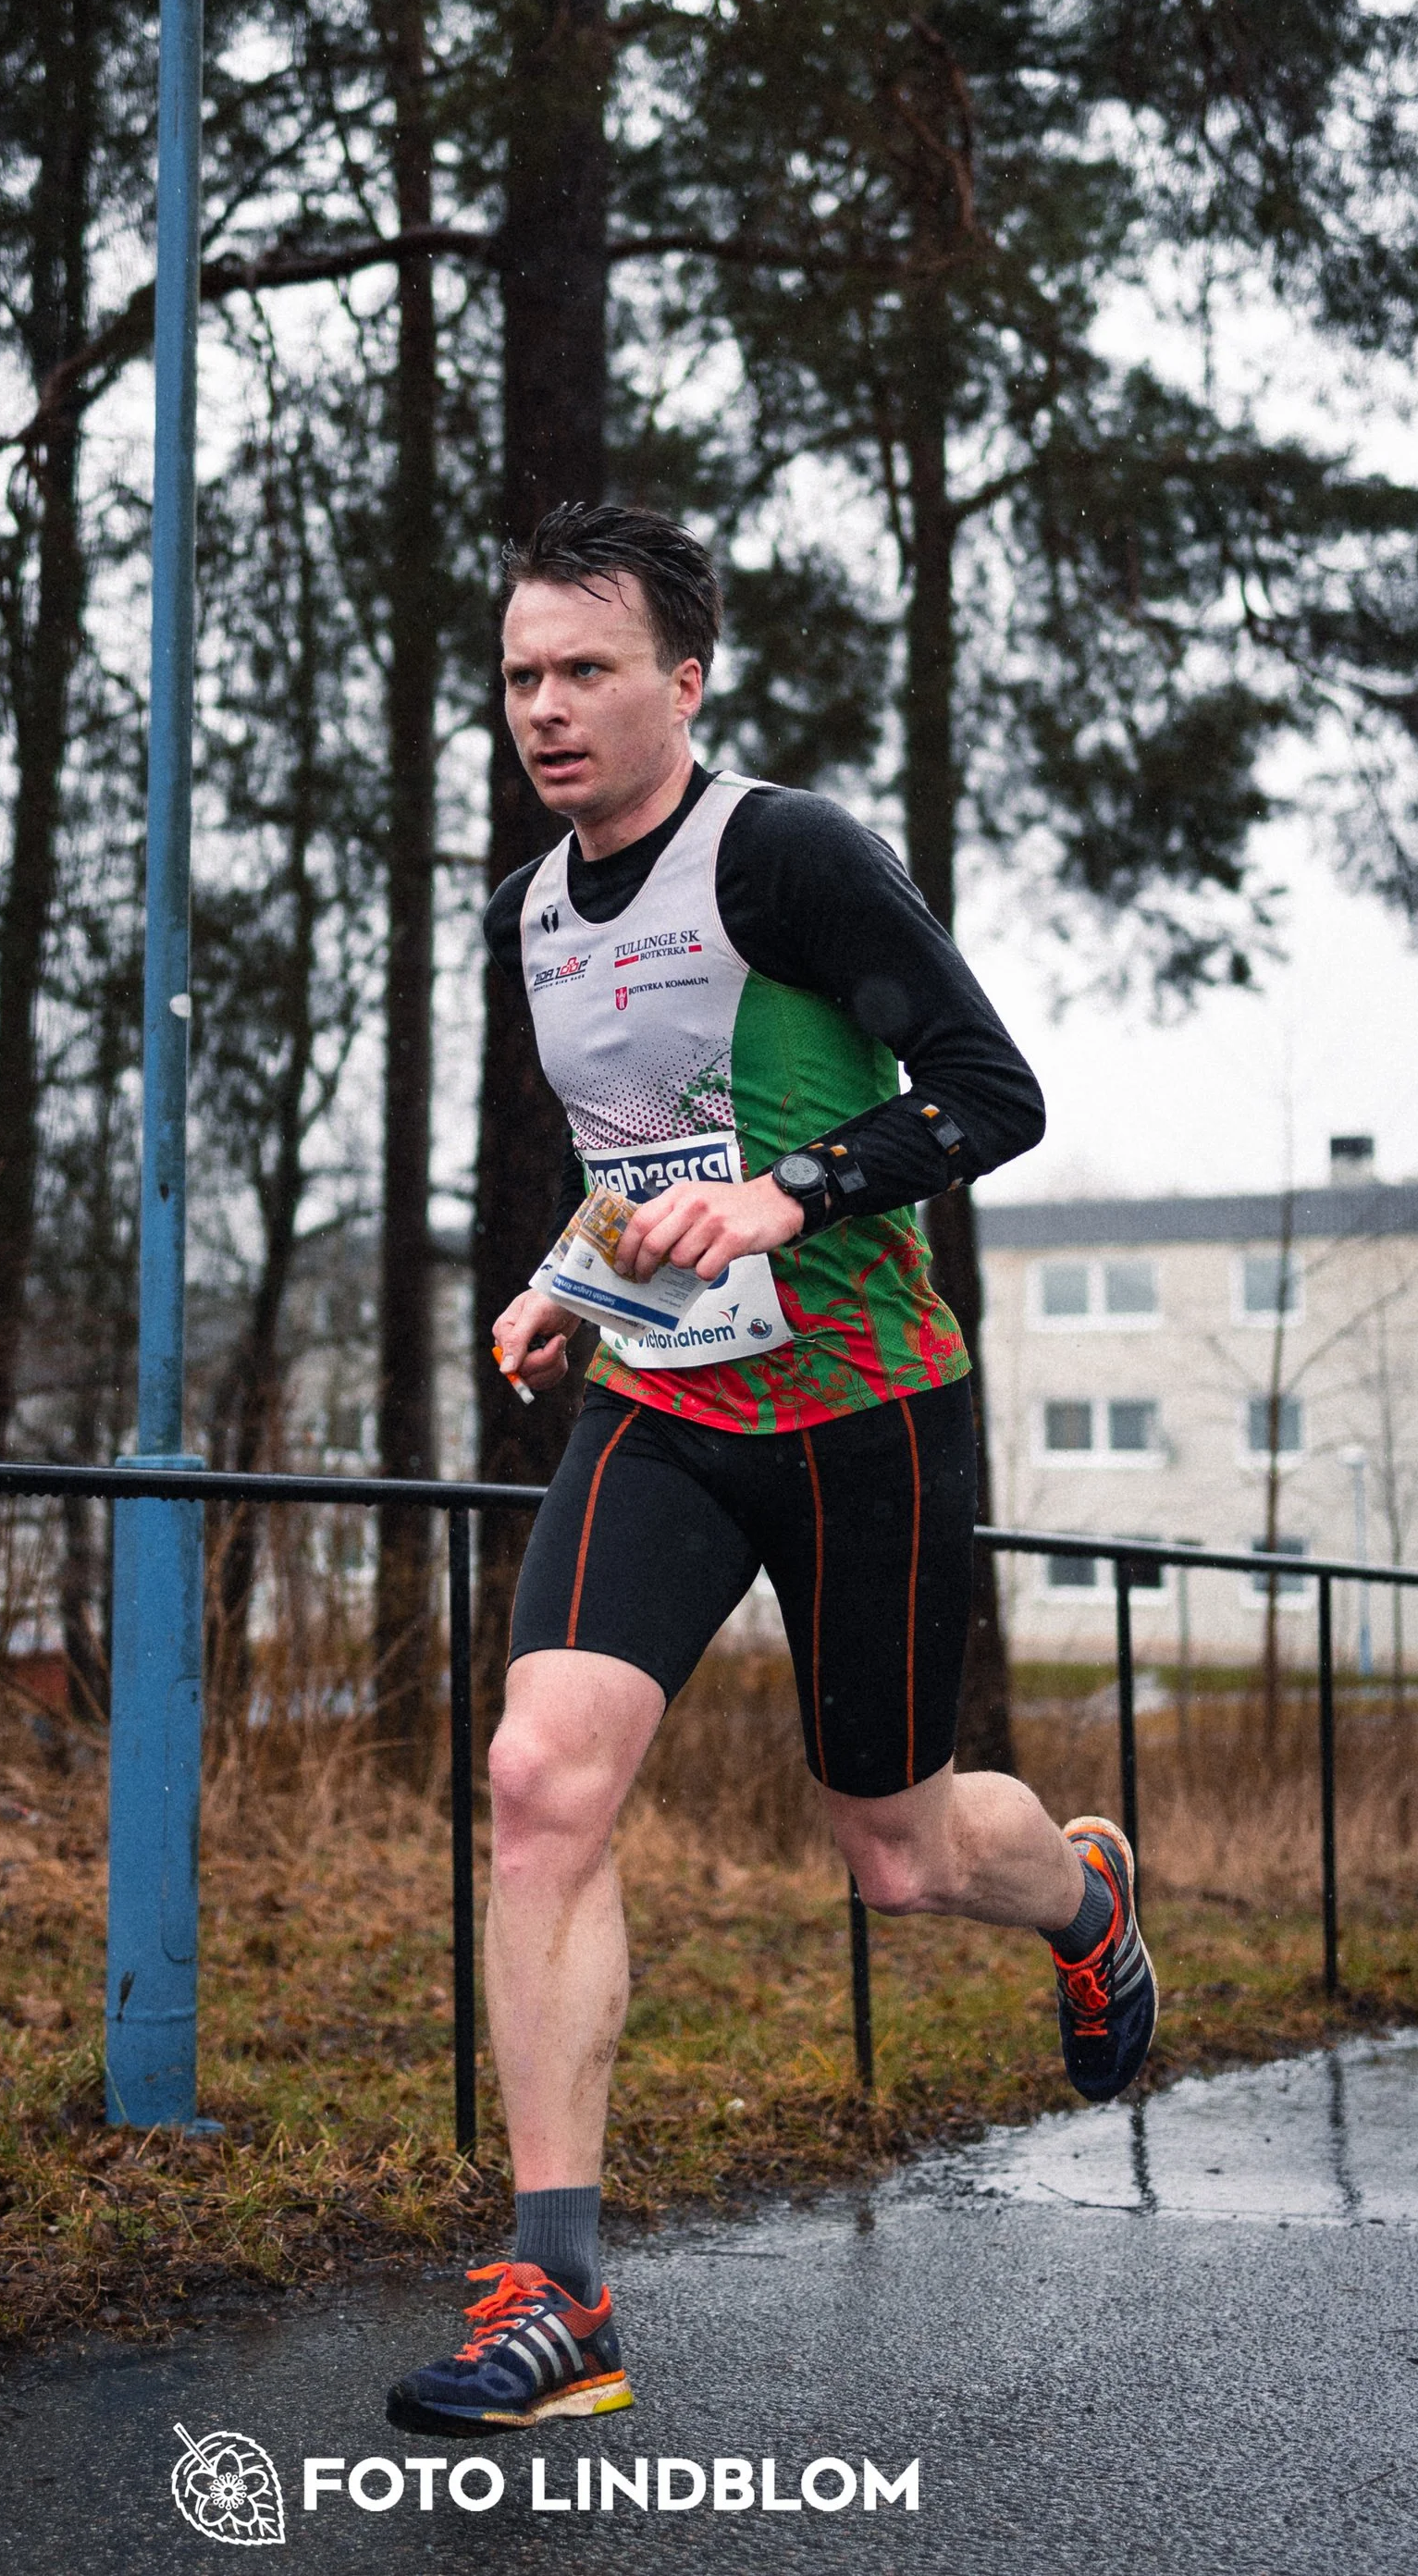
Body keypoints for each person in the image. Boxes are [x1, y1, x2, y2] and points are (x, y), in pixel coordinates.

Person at [384, 503, 1157, 2440]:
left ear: (682, 680)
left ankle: (1072, 1893)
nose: (544, 709)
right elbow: (625, 1145)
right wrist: (567, 1281)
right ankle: (555, 2284)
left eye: (585, 669)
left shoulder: (786, 856)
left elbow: (988, 1093)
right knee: (534, 1775)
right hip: (662, 1405)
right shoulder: (532, 910)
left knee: (893, 1853)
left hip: (861, 1408)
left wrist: (783, 1195)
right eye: (518, 674)